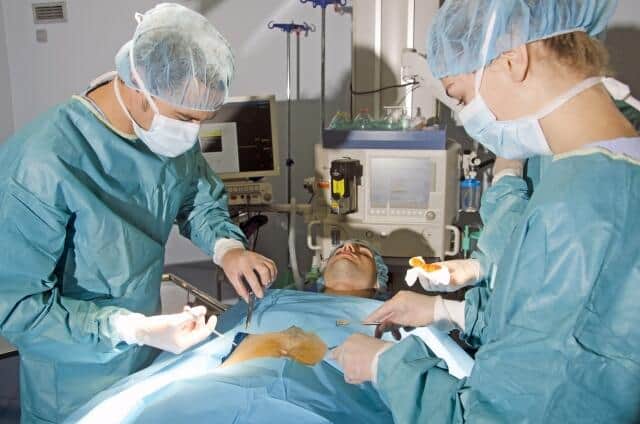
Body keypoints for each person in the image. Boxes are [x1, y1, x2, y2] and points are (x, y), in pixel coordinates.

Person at [332, 0, 640, 422]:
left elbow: (503, 414)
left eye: (461, 97)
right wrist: (444, 311)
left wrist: (386, 367)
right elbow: (558, 336)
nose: (466, 116)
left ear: (513, 60)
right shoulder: (602, 176)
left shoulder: (576, 210)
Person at [0, 4, 277, 422]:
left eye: (201, 120)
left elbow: (196, 197)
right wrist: (128, 329)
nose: (191, 133)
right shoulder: (40, 164)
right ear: (140, 87)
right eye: (185, 117)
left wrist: (227, 248)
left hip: (144, 360)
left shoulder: (165, 135)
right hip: (72, 378)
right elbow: (18, 308)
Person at [314, 240, 389, 298]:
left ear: (377, 283)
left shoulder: (391, 313)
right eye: (338, 253)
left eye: (363, 254)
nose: (346, 245)